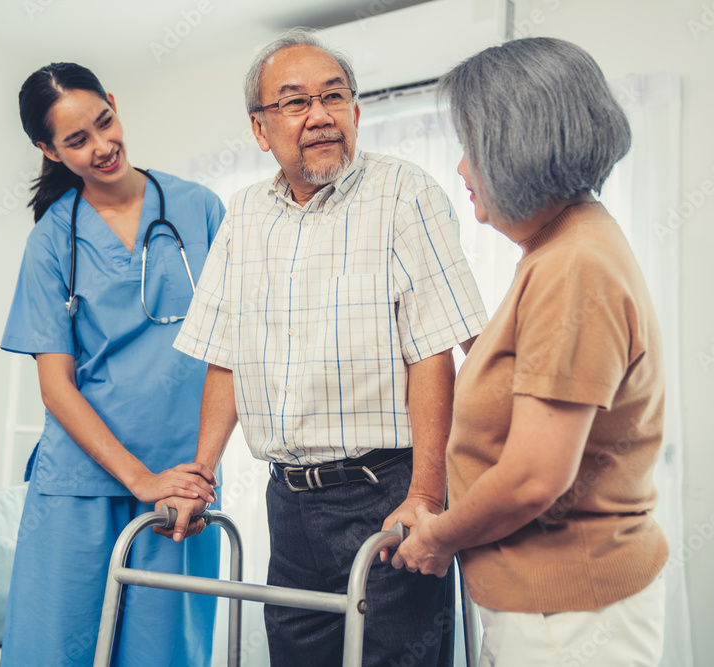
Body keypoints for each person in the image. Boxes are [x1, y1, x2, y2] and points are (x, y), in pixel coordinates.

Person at [161, 29, 488, 667]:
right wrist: (201, 472)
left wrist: (426, 492)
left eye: (333, 97)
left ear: (357, 113)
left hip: (386, 491)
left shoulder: (405, 193)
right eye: (294, 102)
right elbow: (225, 355)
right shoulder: (244, 215)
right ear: (260, 130)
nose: (319, 116)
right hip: (289, 504)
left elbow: (434, 350)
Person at [390, 38, 668, 666]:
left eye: (471, 146)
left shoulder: (573, 267)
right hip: (548, 606)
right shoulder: (561, 249)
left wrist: (438, 538)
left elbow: (535, 476)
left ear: (515, 148)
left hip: (569, 615)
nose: (462, 169)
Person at [0, 62, 224, 666]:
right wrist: (138, 478)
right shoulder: (53, 238)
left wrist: (195, 473)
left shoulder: (201, 209)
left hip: (180, 484)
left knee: (163, 655)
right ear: (47, 150)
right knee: (55, 651)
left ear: (115, 105)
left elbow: (234, 353)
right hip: (80, 481)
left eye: (105, 122)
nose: (102, 147)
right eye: (77, 140)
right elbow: (56, 386)